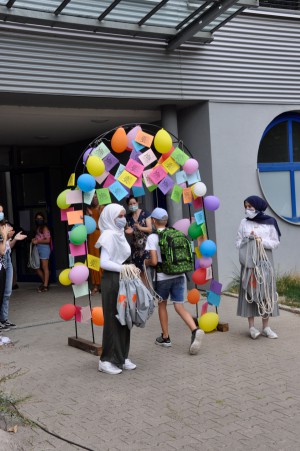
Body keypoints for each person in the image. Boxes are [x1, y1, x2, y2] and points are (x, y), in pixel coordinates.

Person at [145, 207, 204, 355]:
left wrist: (144, 263)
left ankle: (165, 337)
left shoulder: (153, 237)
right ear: (166, 221)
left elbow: (153, 261)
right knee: (179, 306)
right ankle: (195, 330)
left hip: (163, 276)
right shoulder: (177, 233)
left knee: (162, 304)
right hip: (179, 274)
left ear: (153, 221)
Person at [95, 203, 136, 375]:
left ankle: (121, 356)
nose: (123, 219)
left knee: (125, 317)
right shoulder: (108, 235)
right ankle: (106, 360)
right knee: (113, 318)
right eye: (119, 216)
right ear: (110, 217)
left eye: (123, 215)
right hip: (113, 280)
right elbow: (104, 262)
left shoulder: (118, 233)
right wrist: (124, 268)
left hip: (123, 278)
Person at [236, 195, 281, 340]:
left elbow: (275, 242)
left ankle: (266, 327)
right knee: (250, 291)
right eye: (246, 207)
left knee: (265, 291)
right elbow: (237, 242)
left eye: (250, 207)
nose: (248, 210)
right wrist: (247, 240)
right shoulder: (244, 222)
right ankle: (252, 327)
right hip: (249, 262)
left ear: (258, 207)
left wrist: (260, 241)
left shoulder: (270, 222)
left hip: (265, 261)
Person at [0, 205, 27, 331]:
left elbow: (6, 247)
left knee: (7, 292)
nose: (1, 214)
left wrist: (14, 239)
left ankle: (4, 319)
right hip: (1, 261)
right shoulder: (3, 230)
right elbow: (1, 250)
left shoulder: (4, 226)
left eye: (2, 211)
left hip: (7, 260)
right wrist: (5, 235)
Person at [125, 196, 152, 282]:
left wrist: (139, 227)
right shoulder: (128, 217)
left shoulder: (145, 213)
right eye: (130, 204)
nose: (132, 205)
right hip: (135, 247)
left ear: (137, 203)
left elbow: (150, 229)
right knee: (137, 271)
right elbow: (128, 231)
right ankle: (141, 291)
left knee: (145, 270)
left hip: (145, 247)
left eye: (134, 203)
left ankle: (148, 292)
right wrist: (129, 232)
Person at [86, 193, 104, 295]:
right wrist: (88, 215)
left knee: (102, 259)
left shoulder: (102, 208)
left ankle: (103, 284)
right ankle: (95, 285)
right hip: (91, 235)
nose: (94, 199)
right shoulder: (88, 209)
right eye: (92, 198)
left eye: (96, 197)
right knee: (93, 259)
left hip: (100, 234)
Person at [32, 212, 51, 293]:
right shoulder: (38, 228)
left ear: (43, 219)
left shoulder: (45, 228)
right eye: (37, 218)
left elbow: (48, 240)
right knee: (36, 267)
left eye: (40, 218)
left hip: (44, 248)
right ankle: (45, 283)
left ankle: (45, 285)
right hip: (38, 248)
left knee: (44, 267)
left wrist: (37, 241)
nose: (39, 220)